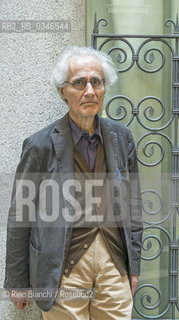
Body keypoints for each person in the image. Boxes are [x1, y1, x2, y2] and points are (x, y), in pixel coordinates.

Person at [4, 46, 143, 320]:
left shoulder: (122, 137)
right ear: (62, 91)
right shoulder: (39, 145)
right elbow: (21, 215)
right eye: (79, 83)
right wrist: (17, 281)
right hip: (62, 266)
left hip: (114, 261)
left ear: (105, 88)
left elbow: (133, 203)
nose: (89, 91)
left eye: (96, 82)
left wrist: (134, 265)